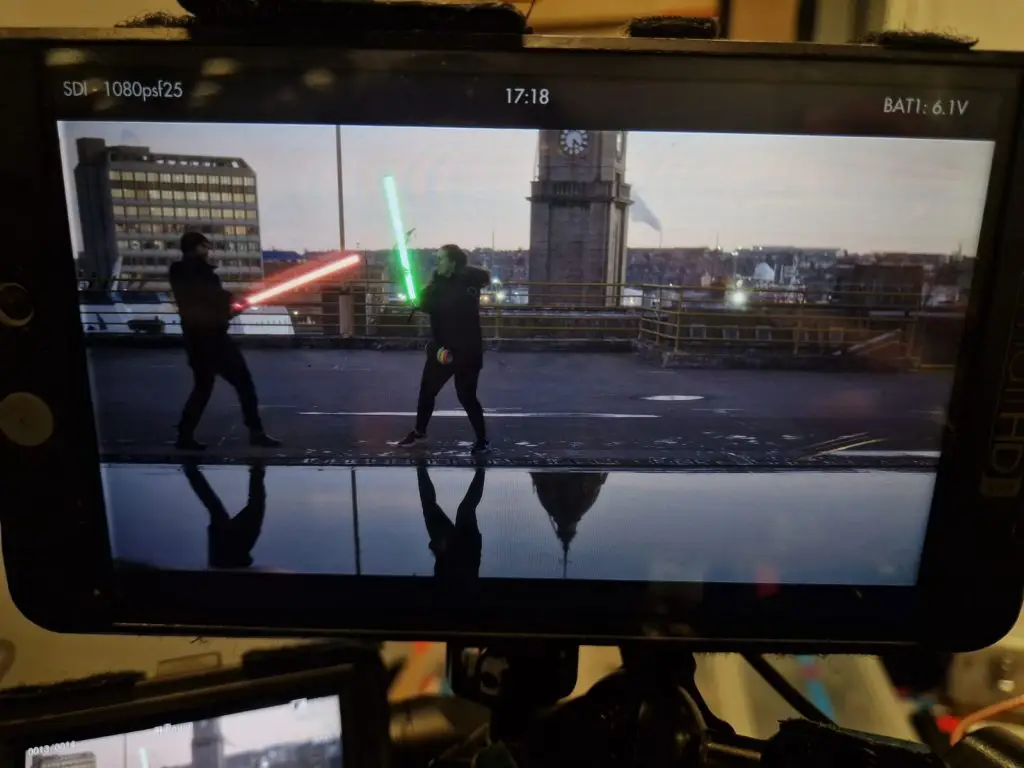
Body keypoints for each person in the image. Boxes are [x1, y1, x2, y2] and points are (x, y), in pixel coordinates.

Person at [169, 232, 279, 450]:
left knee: (203, 387)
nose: (208, 250)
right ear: (197, 247)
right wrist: (234, 301)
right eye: (205, 246)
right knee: (244, 384)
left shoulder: (178, 271)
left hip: (195, 339)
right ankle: (255, 432)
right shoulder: (199, 272)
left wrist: (231, 309)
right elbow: (209, 297)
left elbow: (203, 302)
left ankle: (184, 435)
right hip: (214, 340)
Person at [398, 244, 491, 454]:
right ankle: (420, 432)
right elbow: (430, 301)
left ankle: (482, 440)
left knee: (467, 396)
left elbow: (454, 307)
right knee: (427, 391)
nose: (437, 262)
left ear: (453, 262)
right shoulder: (438, 283)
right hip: (442, 351)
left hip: (467, 351)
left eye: (441, 259)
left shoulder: (468, 284)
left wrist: (426, 303)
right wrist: (421, 302)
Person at [183, 461, 267, 569]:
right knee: (216, 508)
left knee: (254, 507)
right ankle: (191, 471)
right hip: (227, 550)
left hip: (230, 551)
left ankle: (257, 470)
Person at [417, 462, 486, 581]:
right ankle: (421, 468)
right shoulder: (453, 584)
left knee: (465, 509)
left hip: (463, 549)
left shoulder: (447, 587)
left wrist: (439, 549)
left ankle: (481, 470)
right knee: (464, 509)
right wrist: (440, 549)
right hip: (466, 548)